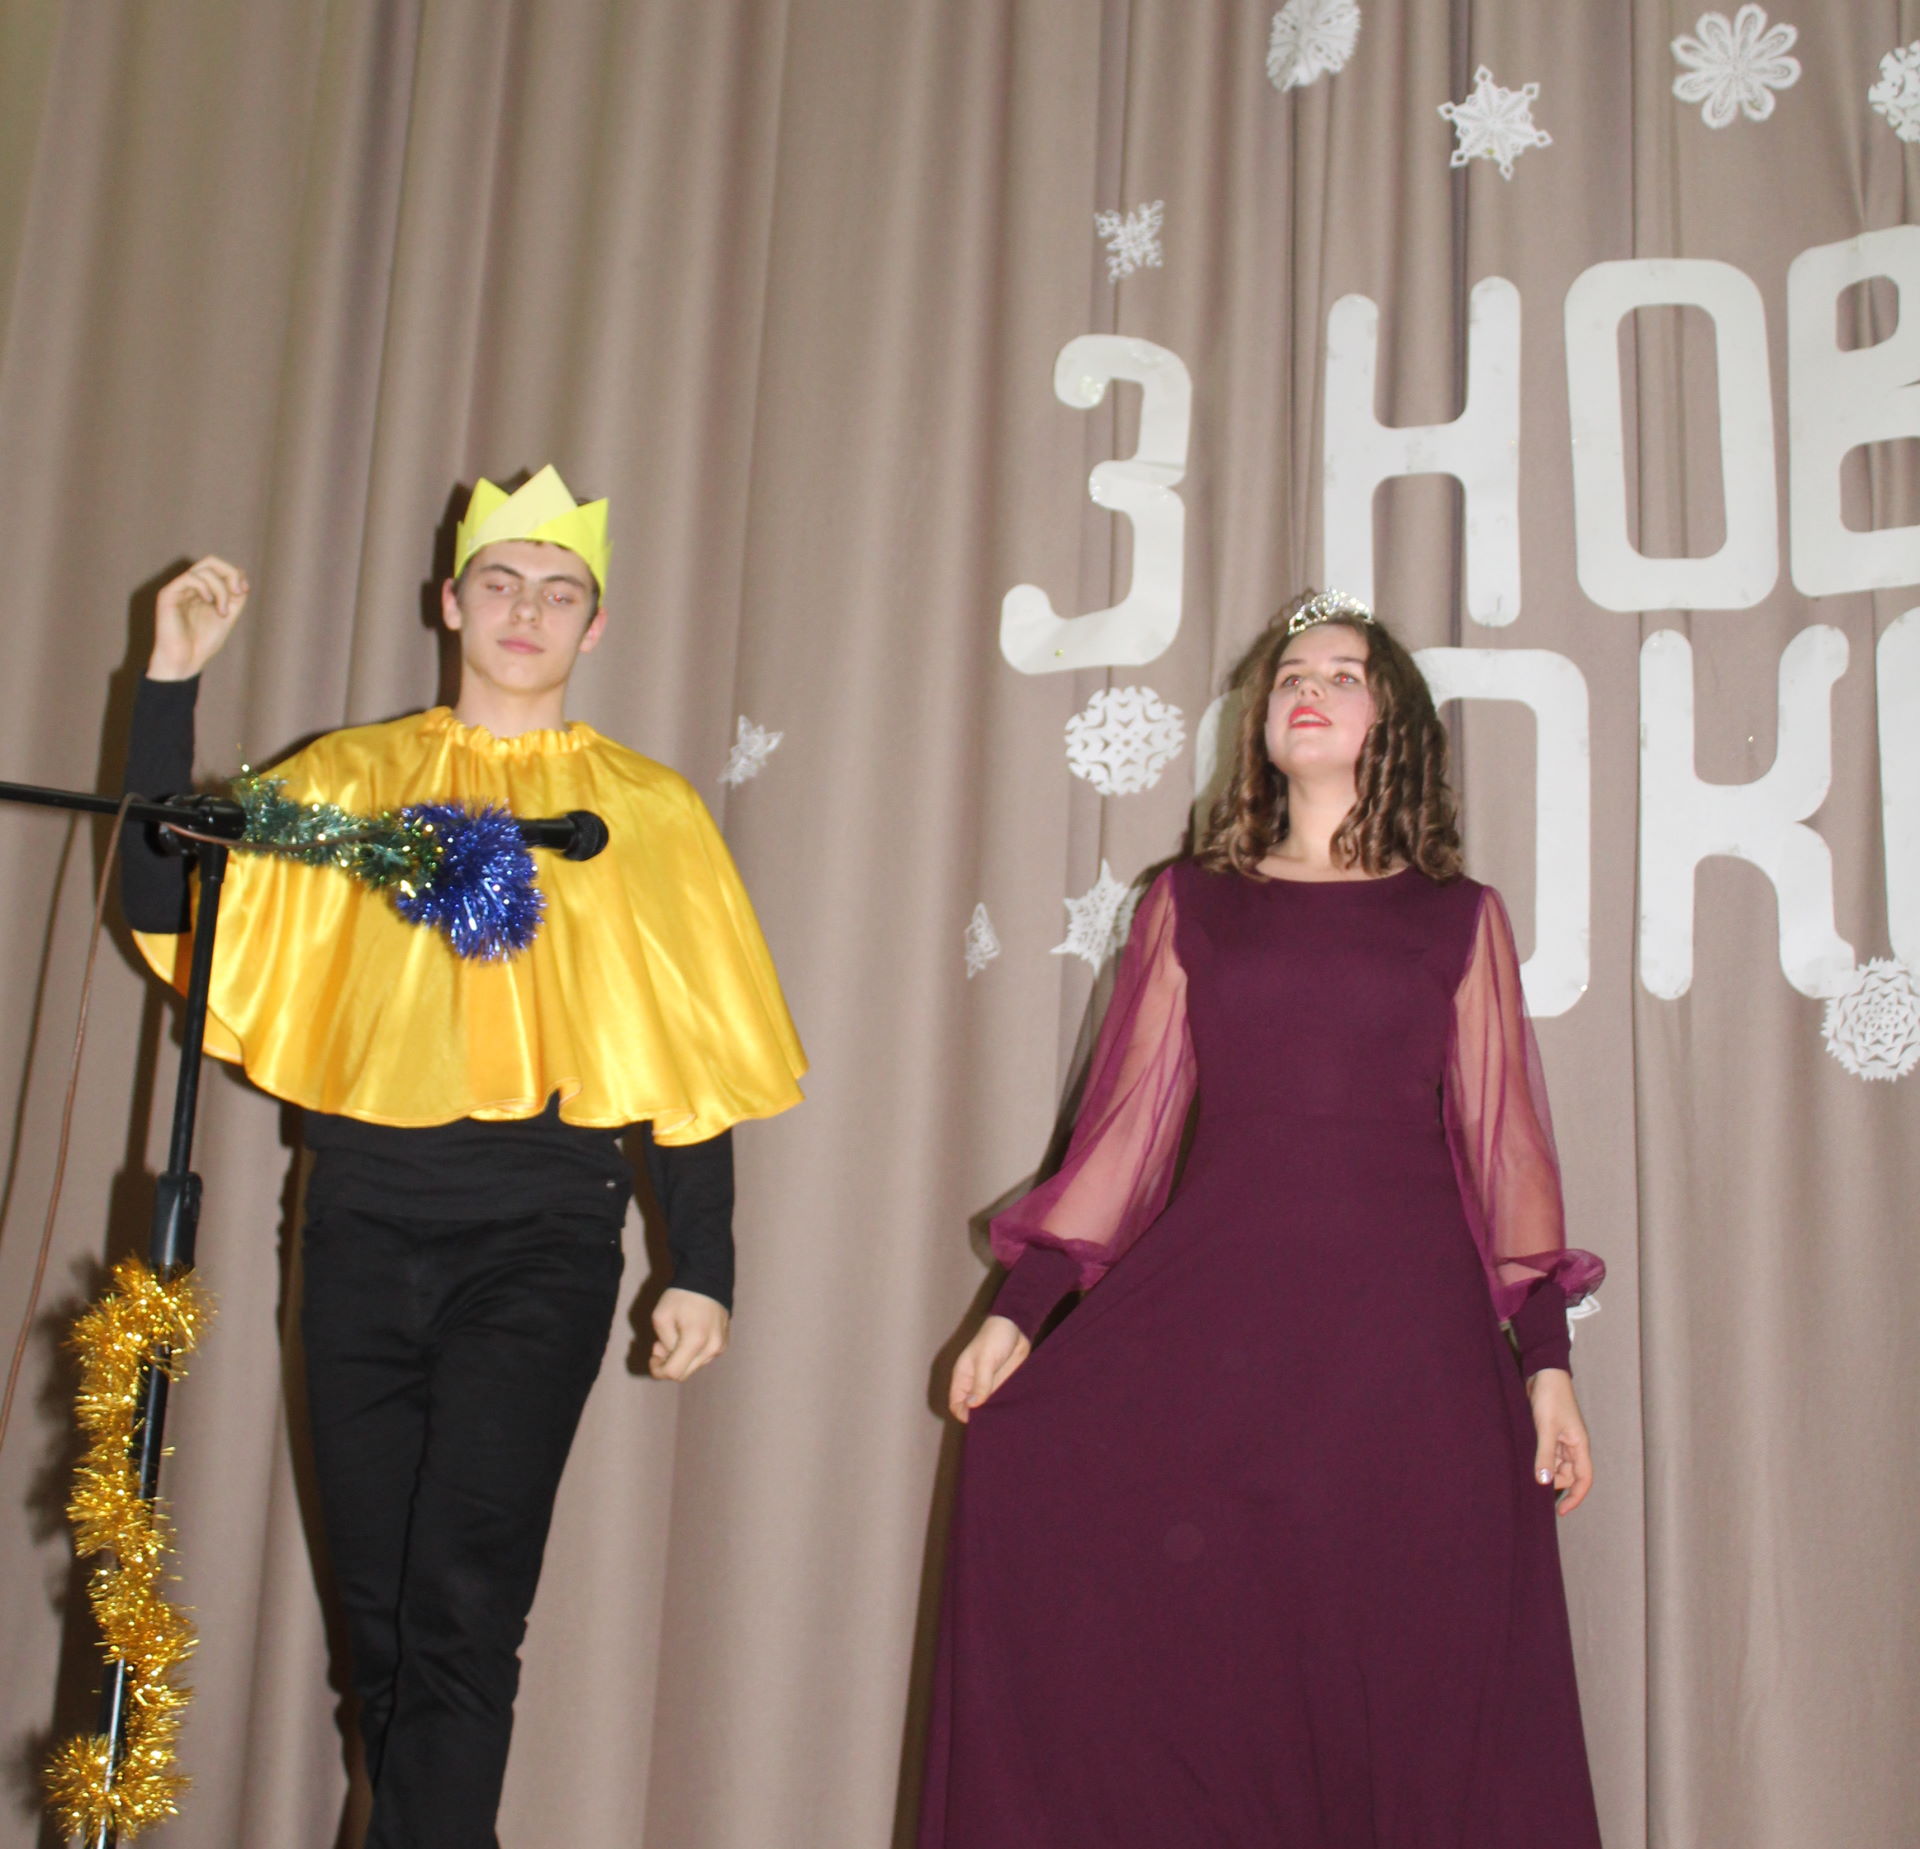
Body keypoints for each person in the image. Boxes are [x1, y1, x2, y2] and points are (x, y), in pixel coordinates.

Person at [119, 467, 807, 1848]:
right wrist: (170, 685)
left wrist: (703, 1264)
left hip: (540, 1236)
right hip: (358, 1225)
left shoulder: (642, 811)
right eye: (501, 582)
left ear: (595, 627)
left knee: (464, 1603)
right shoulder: (347, 784)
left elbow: (688, 1052)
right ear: (451, 601)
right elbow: (162, 896)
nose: (525, 610)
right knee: (379, 1619)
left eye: (559, 592)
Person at [919, 589, 1605, 1849]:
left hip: (1410, 1364)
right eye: (1291, 673)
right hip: (1222, 1340)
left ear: (1393, 723)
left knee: (1412, 1686)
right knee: (1226, 1689)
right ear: (1258, 722)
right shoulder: (1191, 902)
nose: (1310, 688)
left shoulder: (1458, 915)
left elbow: (1505, 1153)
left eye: (1344, 674)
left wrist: (1547, 1365)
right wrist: (1018, 1315)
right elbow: (1118, 1142)